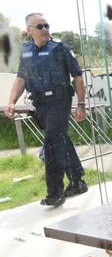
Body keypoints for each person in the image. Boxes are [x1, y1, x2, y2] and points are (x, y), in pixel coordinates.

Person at [5, 13, 87, 207]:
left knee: (52, 143)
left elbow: (78, 77)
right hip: (40, 104)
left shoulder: (60, 48)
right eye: (40, 26)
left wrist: (81, 105)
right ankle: (77, 181)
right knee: (60, 139)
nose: (45, 29)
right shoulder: (26, 51)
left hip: (60, 101)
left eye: (46, 25)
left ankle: (55, 192)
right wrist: (11, 101)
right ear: (29, 30)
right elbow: (21, 78)